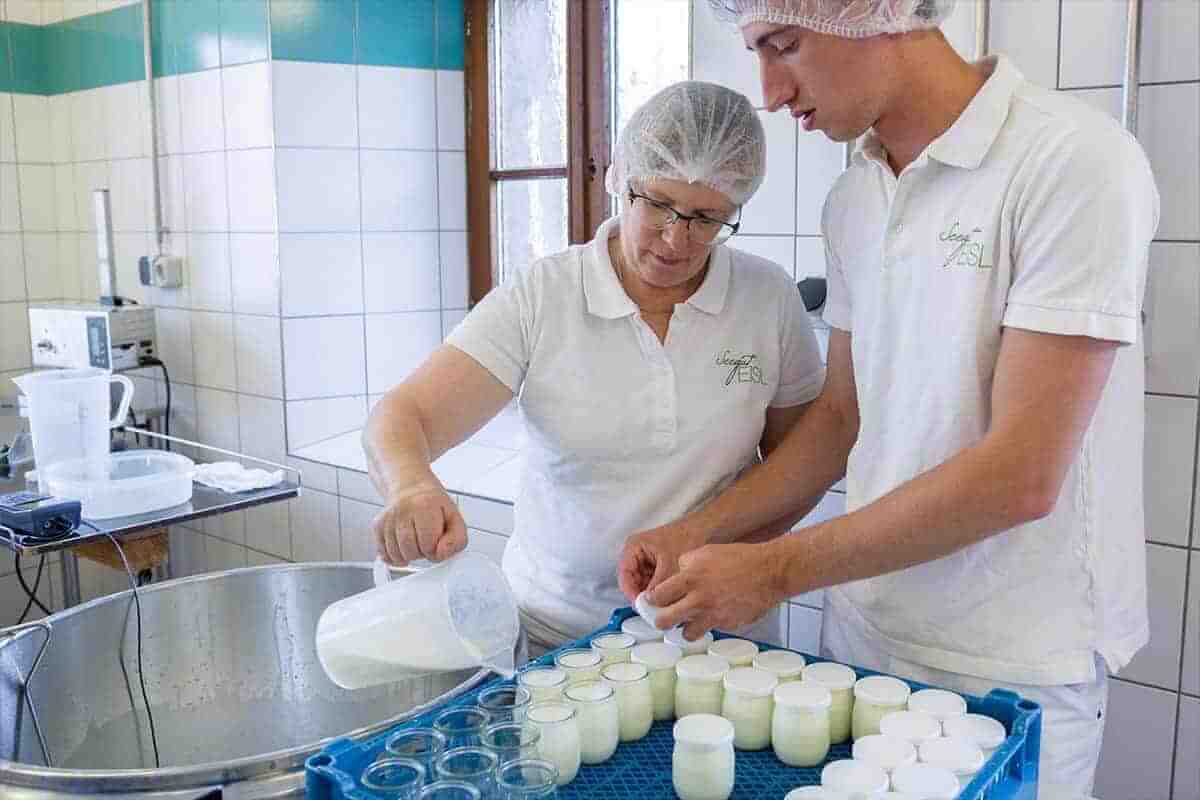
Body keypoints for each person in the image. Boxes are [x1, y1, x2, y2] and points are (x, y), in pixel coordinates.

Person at [617, 2, 1158, 795]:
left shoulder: (1071, 163)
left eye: (784, 45)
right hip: (863, 644)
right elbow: (840, 418)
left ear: (878, 12)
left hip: (1010, 662)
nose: (768, 92)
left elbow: (1023, 474)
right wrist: (695, 534)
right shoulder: (855, 199)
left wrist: (773, 571)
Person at [363, 81, 827, 653]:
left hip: (719, 634)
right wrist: (411, 487)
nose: (675, 239)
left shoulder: (768, 298)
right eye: (657, 204)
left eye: (706, 218)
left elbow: (801, 467)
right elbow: (402, 416)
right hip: (557, 635)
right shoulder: (544, 295)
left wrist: (730, 558)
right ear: (621, 180)